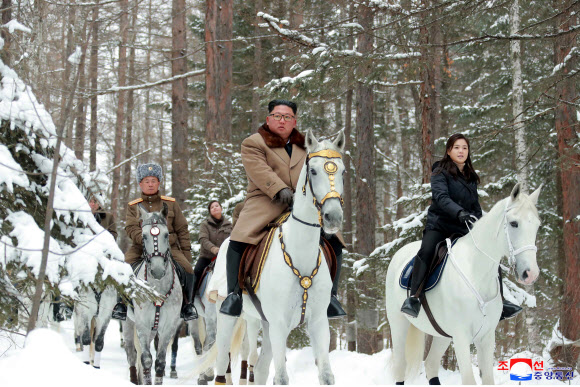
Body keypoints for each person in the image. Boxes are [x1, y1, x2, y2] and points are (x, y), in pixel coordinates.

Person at [219, 99, 346, 318]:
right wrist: (278, 188)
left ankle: (331, 297)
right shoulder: (253, 143)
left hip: (302, 203)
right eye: (277, 116)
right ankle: (234, 295)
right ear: (268, 119)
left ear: (294, 121)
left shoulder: (306, 145)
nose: (282, 120)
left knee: (335, 241)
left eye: (287, 117)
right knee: (239, 239)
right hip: (265, 201)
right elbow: (258, 170)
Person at [400, 133, 522, 321]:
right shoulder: (439, 171)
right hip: (440, 225)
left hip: (464, 227)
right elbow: (441, 198)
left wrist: (482, 224)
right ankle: (414, 298)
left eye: (464, 148)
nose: (461, 151)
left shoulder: (470, 176)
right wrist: (459, 212)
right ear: (449, 151)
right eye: (457, 147)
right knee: (426, 250)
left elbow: (475, 205)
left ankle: (501, 301)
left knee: (490, 252)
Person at [111, 163, 198, 321]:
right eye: (146, 181)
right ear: (140, 184)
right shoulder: (134, 206)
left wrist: (186, 253)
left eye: (153, 180)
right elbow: (130, 228)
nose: (150, 184)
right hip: (141, 246)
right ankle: (121, 305)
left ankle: (187, 305)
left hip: (169, 247)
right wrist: (146, 240)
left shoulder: (170, 203)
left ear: (159, 183)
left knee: (188, 269)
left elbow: (182, 228)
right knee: (124, 268)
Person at [54, 194, 117, 322]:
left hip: (102, 254)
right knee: (69, 276)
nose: (92, 204)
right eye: (90, 201)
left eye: (95, 202)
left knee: (118, 273)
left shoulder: (108, 217)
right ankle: (67, 306)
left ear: (99, 204)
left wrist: (103, 244)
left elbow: (114, 235)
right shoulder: (78, 215)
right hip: (82, 254)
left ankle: (119, 306)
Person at [196, 201, 232, 289]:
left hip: (224, 257)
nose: (215, 208)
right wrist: (213, 249)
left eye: (217, 206)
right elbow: (203, 239)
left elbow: (232, 240)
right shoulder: (205, 224)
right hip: (207, 257)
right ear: (210, 211)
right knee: (196, 272)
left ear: (221, 208)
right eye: (212, 207)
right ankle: (190, 299)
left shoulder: (230, 225)